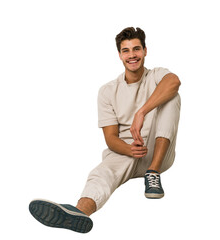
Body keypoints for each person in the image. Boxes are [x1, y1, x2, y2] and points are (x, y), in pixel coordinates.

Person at [29, 27, 181, 234]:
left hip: (158, 152)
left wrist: (142, 112)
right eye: (126, 51)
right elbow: (110, 138)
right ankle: (78, 213)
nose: (132, 55)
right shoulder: (108, 91)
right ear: (120, 55)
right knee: (102, 173)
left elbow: (174, 81)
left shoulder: (157, 76)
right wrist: (130, 150)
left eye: (136, 49)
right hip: (128, 151)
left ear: (145, 51)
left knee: (171, 96)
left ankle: (152, 174)